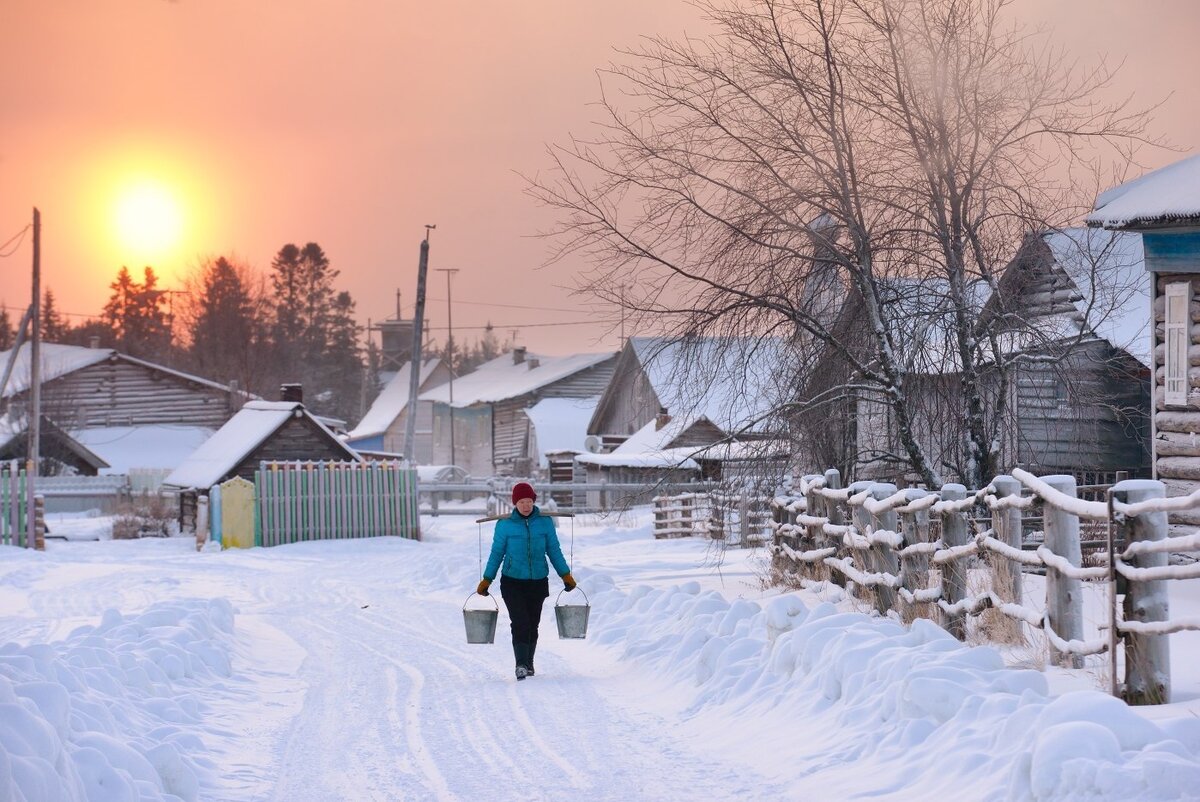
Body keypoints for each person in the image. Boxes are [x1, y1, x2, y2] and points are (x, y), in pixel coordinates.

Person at [476, 482, 576, 680]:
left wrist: (565, 575)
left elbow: (553, 550)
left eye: (529, 501)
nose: (526, 505)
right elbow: (497, 553)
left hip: (538, 581)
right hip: (512, 581)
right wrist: (487, 579)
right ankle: (520, 664)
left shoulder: (545, 523)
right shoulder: (504, 525)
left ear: (533, 501)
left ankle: (529, 663)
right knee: (520, 622)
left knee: (533, 624)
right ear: (515, 503)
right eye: (522, 502)